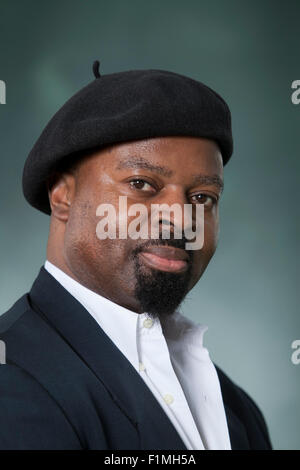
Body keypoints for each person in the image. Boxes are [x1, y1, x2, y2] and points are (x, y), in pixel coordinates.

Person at [0, 61, 272, 450]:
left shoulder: (236, 408)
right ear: (62, 194)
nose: (181, 219)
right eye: (142, 184)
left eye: (202, 198)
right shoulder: (12, 379)